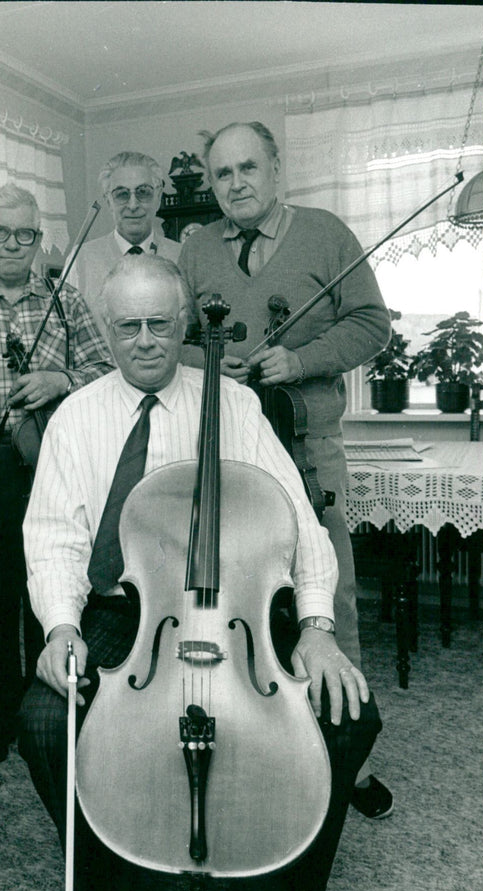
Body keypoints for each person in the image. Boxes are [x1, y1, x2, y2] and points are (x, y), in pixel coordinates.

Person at [18, 256, 382, 891]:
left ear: (185, 325)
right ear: (108, 329)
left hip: (237, 608)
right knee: (43, 720)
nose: (146, 340)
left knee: (349, 714)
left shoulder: (235, 408)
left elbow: (299, 523)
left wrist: (315, 627)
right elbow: (54, 534)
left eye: (160, 323)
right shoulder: (75, 416)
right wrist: (61, 627)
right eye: (129, 326)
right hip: (129, 611)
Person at [178, 122, 393, 819]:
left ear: (276, 168)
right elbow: (171, 336)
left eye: (248, 168)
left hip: (306, 446)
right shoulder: (198, 246)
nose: (236, 184)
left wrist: (298, 361)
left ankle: (349, 758)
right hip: (223, 447)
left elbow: (371, 324)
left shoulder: (327, 233)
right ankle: (259, 735)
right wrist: (210, 360)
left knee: (331, 589)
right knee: (235, 591)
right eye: (222, 175)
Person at [0, 183, 114, 765]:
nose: (11, 244)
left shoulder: (67, 298)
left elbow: (107, 369)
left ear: (38, 237)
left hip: (50, 462)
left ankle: (49, 707)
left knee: (51, 586)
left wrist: (60, 381)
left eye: (24, 234)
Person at [72, 151, 182, 332]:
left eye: (143, 192)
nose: (133, 205)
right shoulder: (80, 259)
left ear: (158, 196)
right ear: (108, 200)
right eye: (122, 194)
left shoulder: (184, 256)